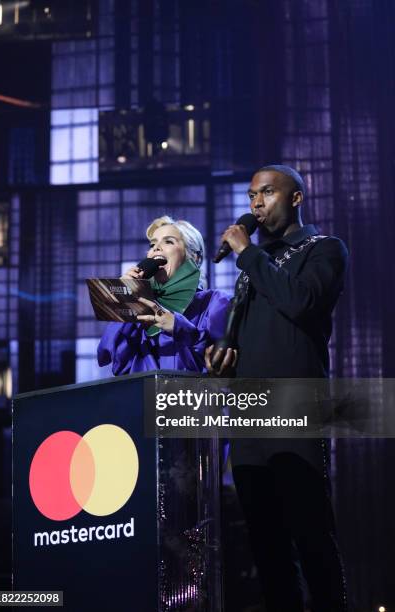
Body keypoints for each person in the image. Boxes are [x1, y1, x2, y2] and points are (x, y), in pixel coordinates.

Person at [206, 165, 349, 612]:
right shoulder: (254, 265)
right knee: (265, 543)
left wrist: (249, 253)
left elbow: (300, 301)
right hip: (249, 411)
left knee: (310, 533)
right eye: (252, 196)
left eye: (267, 193)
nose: (256, 204)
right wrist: (225, 354)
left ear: (296, 198)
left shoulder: (323, 248)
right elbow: (247, 331)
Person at [98, 216, 230, 374]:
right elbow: (113, 360)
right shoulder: (140, 310)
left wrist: (178, 327)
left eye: (168, 241)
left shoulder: (216, 301)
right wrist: (125, 298)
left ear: (194, 256)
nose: (156, 248)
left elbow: (221, 362)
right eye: (152, 244)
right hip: (142, 397)